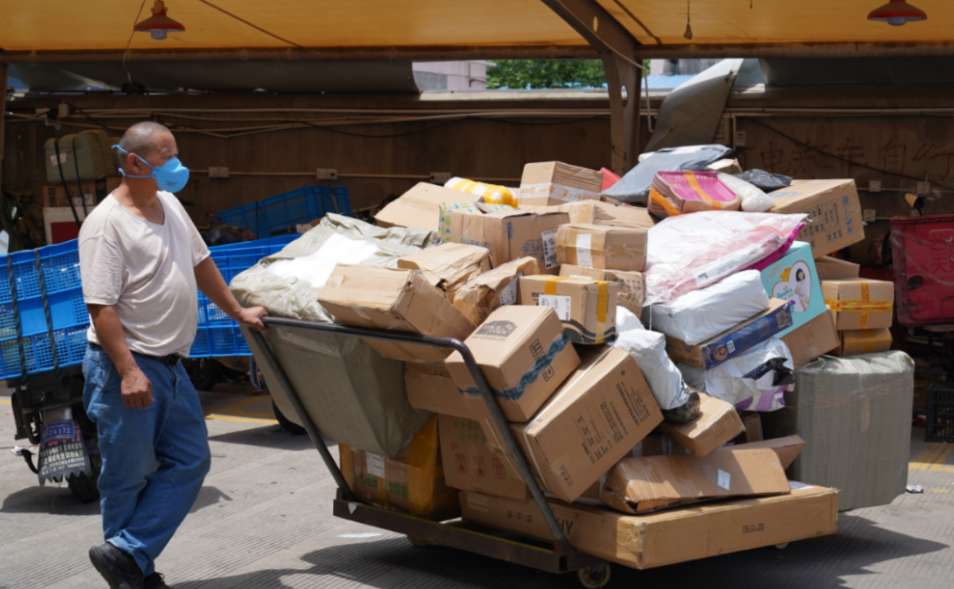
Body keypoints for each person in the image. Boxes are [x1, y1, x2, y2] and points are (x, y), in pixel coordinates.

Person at [79, 121, 268, 589]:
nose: (178, 165)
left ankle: (128, 553)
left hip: (171, 363)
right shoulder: (105, 224)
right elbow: (100, 306)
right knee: (127, 476)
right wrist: (127, 371)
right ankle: (134, 574)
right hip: (127, 365)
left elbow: (201, 262)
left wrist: (237, 311)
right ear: (134, 161)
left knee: (190, 460)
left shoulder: (171, 205)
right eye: (167, 157)